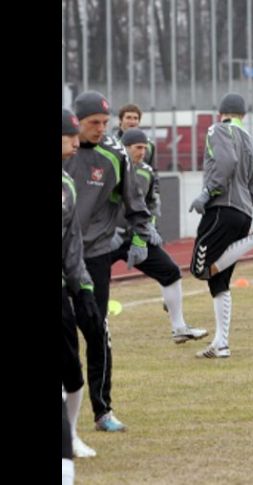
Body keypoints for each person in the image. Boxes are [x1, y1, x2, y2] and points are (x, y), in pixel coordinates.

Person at [63, 91, 154, 433]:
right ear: (77, 122)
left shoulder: (116, 156)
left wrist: (140, 235)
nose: (101, 129)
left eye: (104, 122)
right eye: (92, 124)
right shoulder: (64, 151)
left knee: (97, 331)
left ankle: (103, 411)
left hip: (95, 254)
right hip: (61, 254)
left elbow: (133, 200)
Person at [189, 92, 253, 358]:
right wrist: (246, 204)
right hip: (243, 211)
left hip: (222, 208)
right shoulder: (252, 142)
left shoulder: (218, 129)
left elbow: (227, 161)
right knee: (218, 281)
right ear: (244, 114)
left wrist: (208, 192)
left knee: (199, 269)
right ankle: (221, 343)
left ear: (221, 112)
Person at [109, 128, 208, 343]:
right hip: (107, 238)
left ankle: (179, 328)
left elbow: (152, 204)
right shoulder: (110, 168)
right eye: (138, 147)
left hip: (135, 236)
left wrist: (147, 231)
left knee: (170, 272)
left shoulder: (147, 171)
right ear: (125, 148)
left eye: (145, 147)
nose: (143, 152)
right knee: (83, 280)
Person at [61, 108, 98, 457]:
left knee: (72, 372)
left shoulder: (68, 184)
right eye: (68, 135)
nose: (76, 140)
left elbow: (72, 245)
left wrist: (83, 288)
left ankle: (69, 436)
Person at [116, 103, 157, 168]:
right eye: (128, 118)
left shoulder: (149, 145)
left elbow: (153, 171)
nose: (132, 122)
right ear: (120, 120)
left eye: (135, 118)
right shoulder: (112, 144)